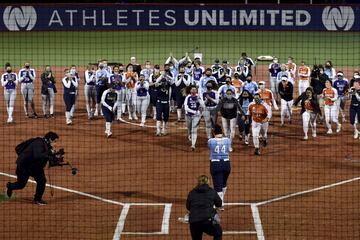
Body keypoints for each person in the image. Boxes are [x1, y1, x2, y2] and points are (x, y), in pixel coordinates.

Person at [6, 131, 60, 205]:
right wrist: (49, 153)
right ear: (50, 139)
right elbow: (37, 155)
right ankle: (10, 186)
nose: (56, 143)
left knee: (42, 181)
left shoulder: (47, 145)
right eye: (55, 141)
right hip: (24, 166)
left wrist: (56, 158)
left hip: (36, 167)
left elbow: (47, 158)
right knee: (21, 185)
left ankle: (37, 199)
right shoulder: (39, 143)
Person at [186, 175, 223, 240]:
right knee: (218, 232)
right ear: (208, 182)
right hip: (207, 222)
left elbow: (188, 207)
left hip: (194, 222)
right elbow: (219, 204)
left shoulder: (192, 193)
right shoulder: (212, 191)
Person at [208, 124, 231, 211]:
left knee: (217, 186)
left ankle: (220, 204)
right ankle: (220, 200)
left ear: (213, 133)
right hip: (227, 164)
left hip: (216, 165)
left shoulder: (210, 141)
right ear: (221, 131)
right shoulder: (227, 140)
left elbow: (211, 147)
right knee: (223, 183)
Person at [184, 86, 204, 151]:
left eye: (195, 89)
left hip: (196, 116)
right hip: (188, 116)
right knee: (189, 128)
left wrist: (199, 100)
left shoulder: (198, 97)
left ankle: (193, 145)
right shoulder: (188, 97)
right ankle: (189, 134)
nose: (194, 90)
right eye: (192, 89)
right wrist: (194, 111)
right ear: (190, 91)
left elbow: (203, 106)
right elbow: (186, 108)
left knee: (194, 130)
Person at [155, 68, 171, 136]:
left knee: (166, 118)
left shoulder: (168, 85)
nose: (164, 83)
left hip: (166, 103)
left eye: (165, 82)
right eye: (163, 82)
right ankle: (158, 131)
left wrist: (166, 75)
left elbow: (172, 80)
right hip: (159, 103)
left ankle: (164, 130)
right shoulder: (158, 86)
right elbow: (156, 82)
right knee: (158, 117)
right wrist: (161, 75)